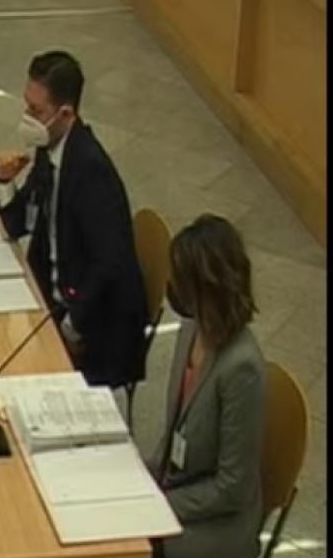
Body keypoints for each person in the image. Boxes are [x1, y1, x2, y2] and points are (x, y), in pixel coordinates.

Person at [0, 51, 147, 389]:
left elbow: (108, 264)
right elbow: (18, 223)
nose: (27, 118)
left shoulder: (91, 171)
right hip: (54, 296)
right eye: (26, 106)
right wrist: (5, 183)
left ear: (65, 113)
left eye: (36, 111)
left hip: (94, 327)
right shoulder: (49, 150)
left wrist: (71, 327)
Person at [149, 215, 265, 558]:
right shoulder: (191, 330)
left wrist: (161, 503)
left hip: (215, 523)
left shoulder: (242, 368)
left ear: (203, 290)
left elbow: (233, 489)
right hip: (178, 483)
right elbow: (174, 435)